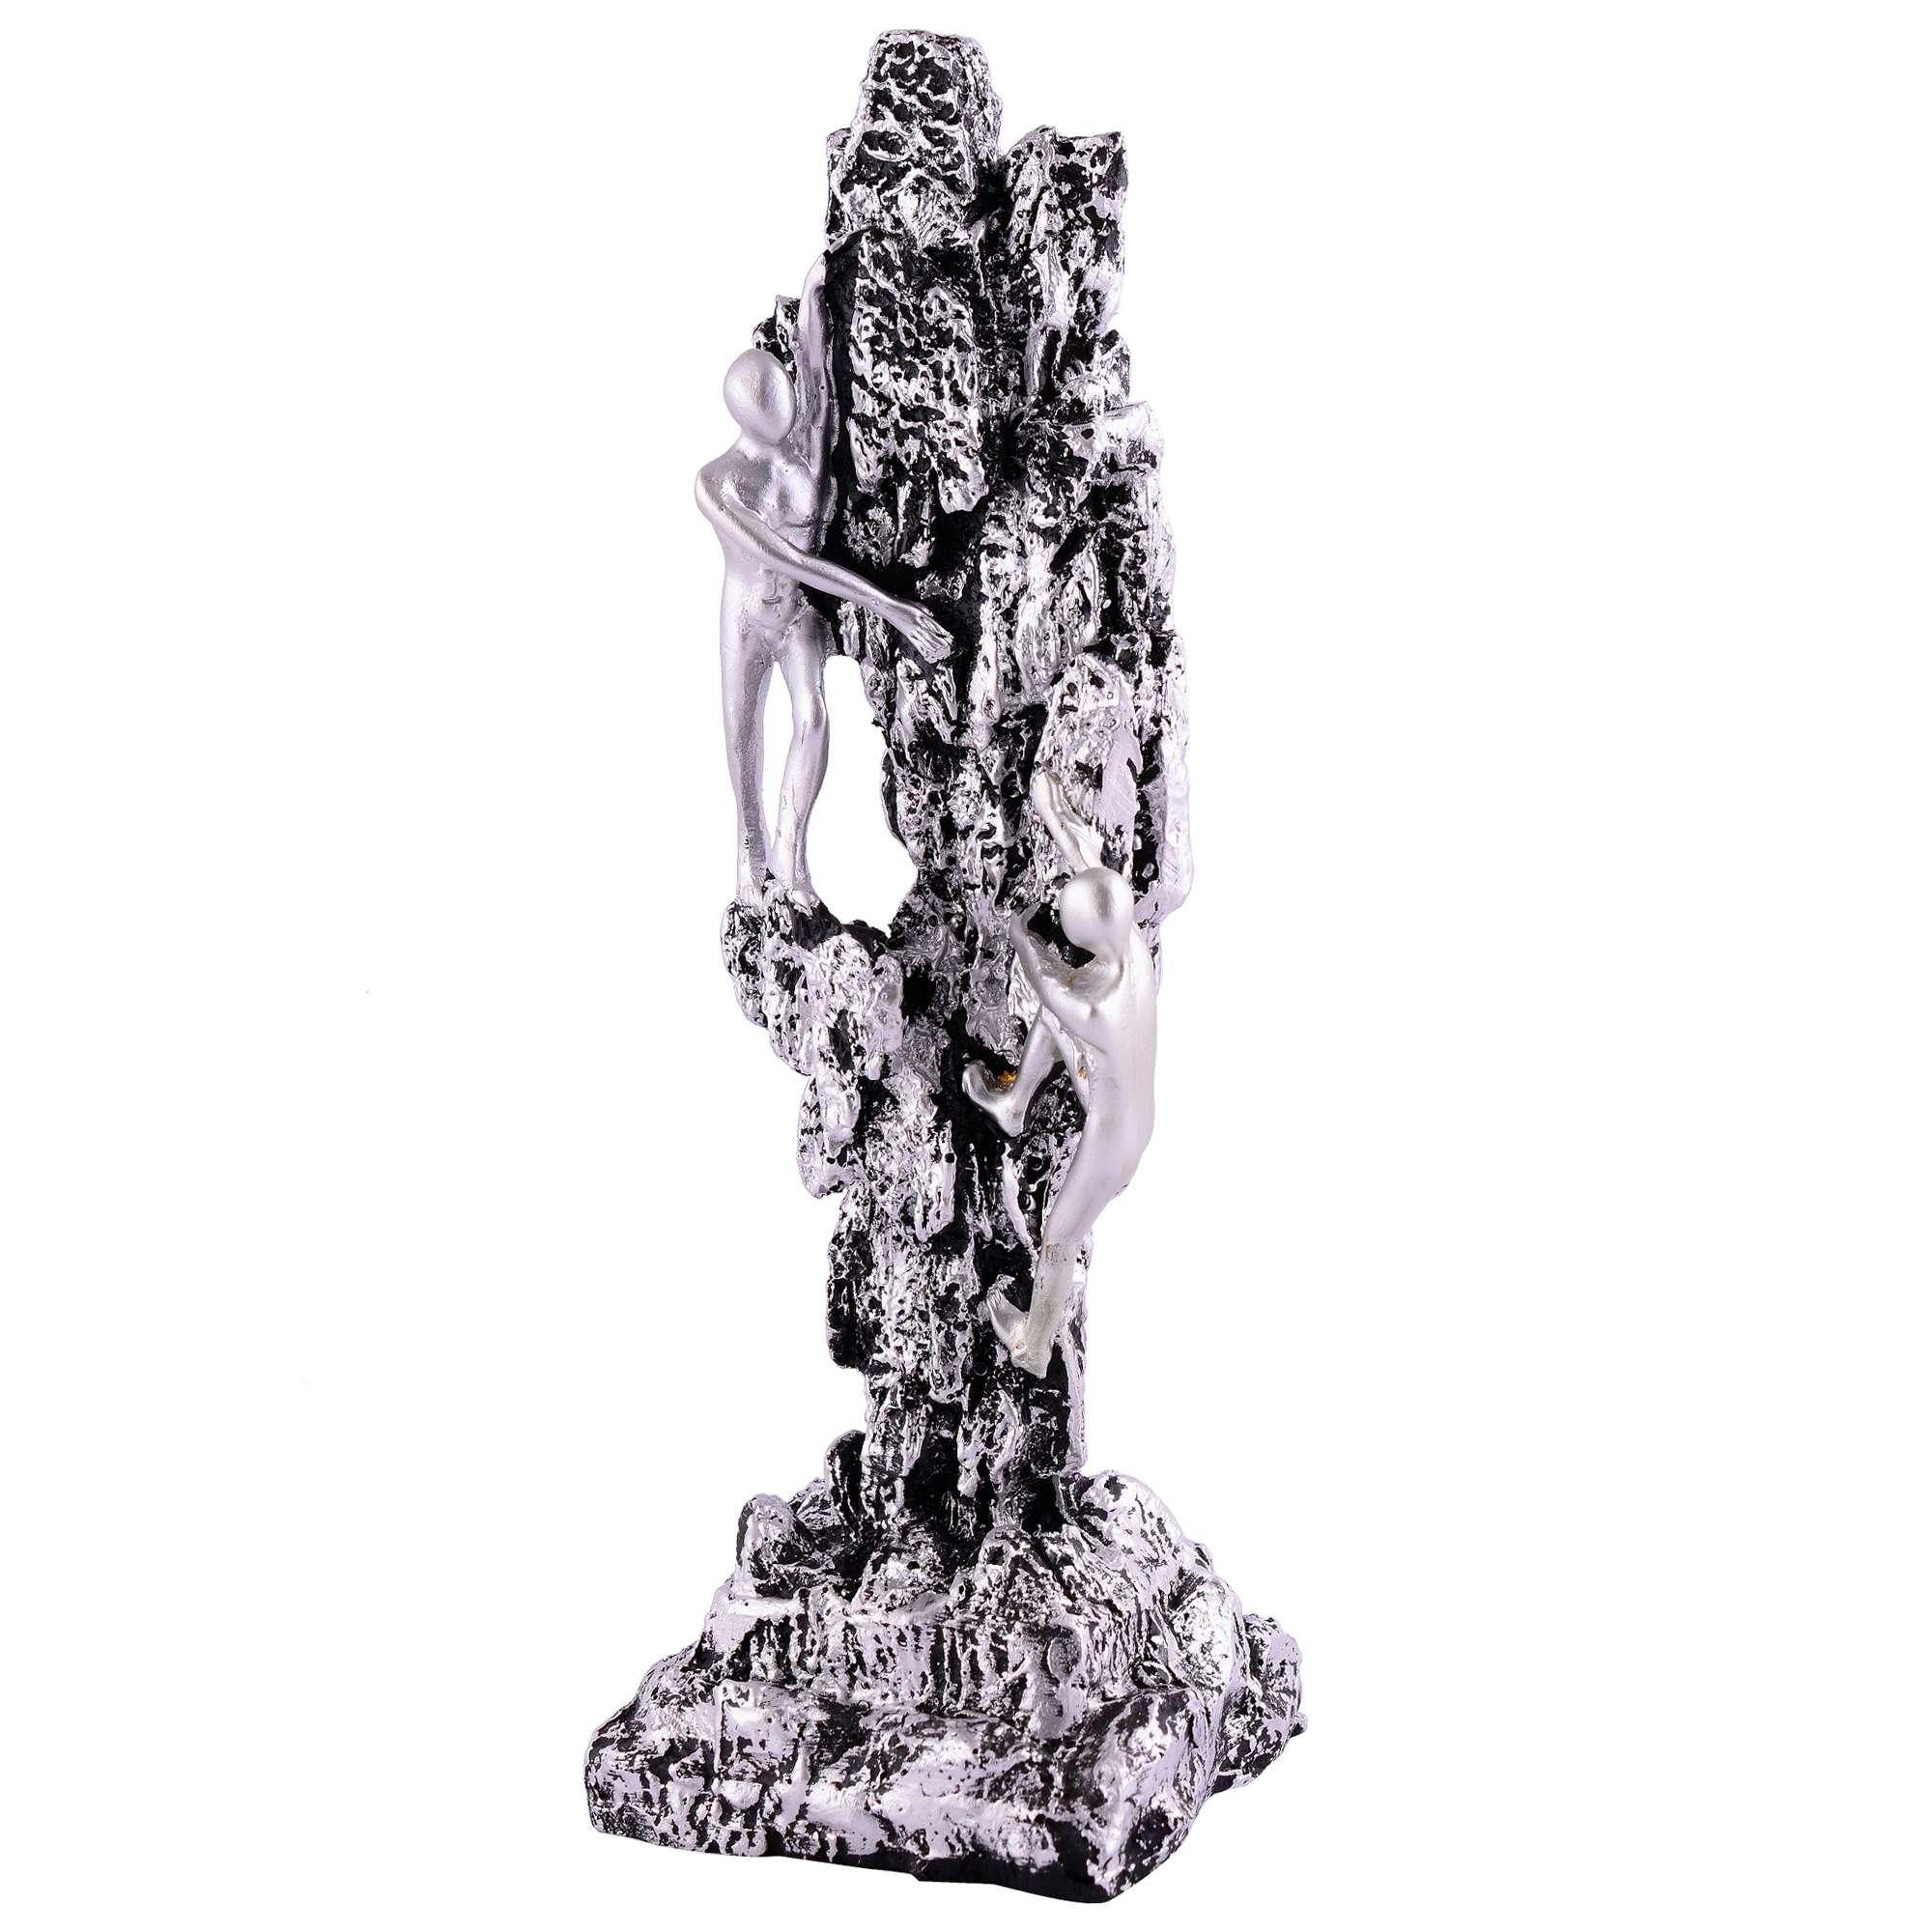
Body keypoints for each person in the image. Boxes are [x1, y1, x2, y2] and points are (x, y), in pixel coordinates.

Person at [696, 253, 951, 904]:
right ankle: (750, 858)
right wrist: (889, 607)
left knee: (811, 717)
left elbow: (816, 363)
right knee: (743, 742)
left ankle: (792, 858)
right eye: (772, 410)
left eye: (789, 402)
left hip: (799, 615)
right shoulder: (717, 484)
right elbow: (793, 561)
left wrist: (818, 284)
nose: (791, 418)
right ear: (744, 416)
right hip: (746, 618)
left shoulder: (805, 439)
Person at [964, 772, 1157, 1376]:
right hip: (1134, 1110)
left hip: (1111, 1143)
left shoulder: (1095, 1007)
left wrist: (1020, 934)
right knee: (1052, 1021)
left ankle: (1034, 1343)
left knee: (1059, 1234)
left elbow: (1046, 980)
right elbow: (1090, 863)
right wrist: (1051, 809)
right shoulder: (1134, 948)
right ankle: (1014, 1104)